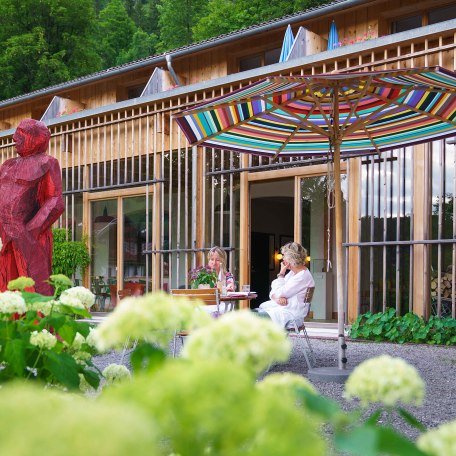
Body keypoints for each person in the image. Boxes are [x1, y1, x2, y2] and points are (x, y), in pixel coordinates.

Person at [0, 119, 64, 295]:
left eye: (21, 133)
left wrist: (30, 231)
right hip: (5, 237)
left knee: (36, 289)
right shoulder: (7, 165)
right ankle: (8, 322)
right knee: (6, 288)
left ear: (37, 138)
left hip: (31, 237)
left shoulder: (47, 162)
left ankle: (40, 323)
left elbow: (55, 201)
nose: (14, 137)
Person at [257, 242, 314, 328]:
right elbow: (273, 293)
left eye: (284, 256)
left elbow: (279, 292)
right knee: (251, 315)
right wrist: (277, 298)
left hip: (290, 316)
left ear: (292, 258)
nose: (282, 259)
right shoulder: (293, 273)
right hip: (283, 311)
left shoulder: (301, 277)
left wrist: (281, 274)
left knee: (251, 318)